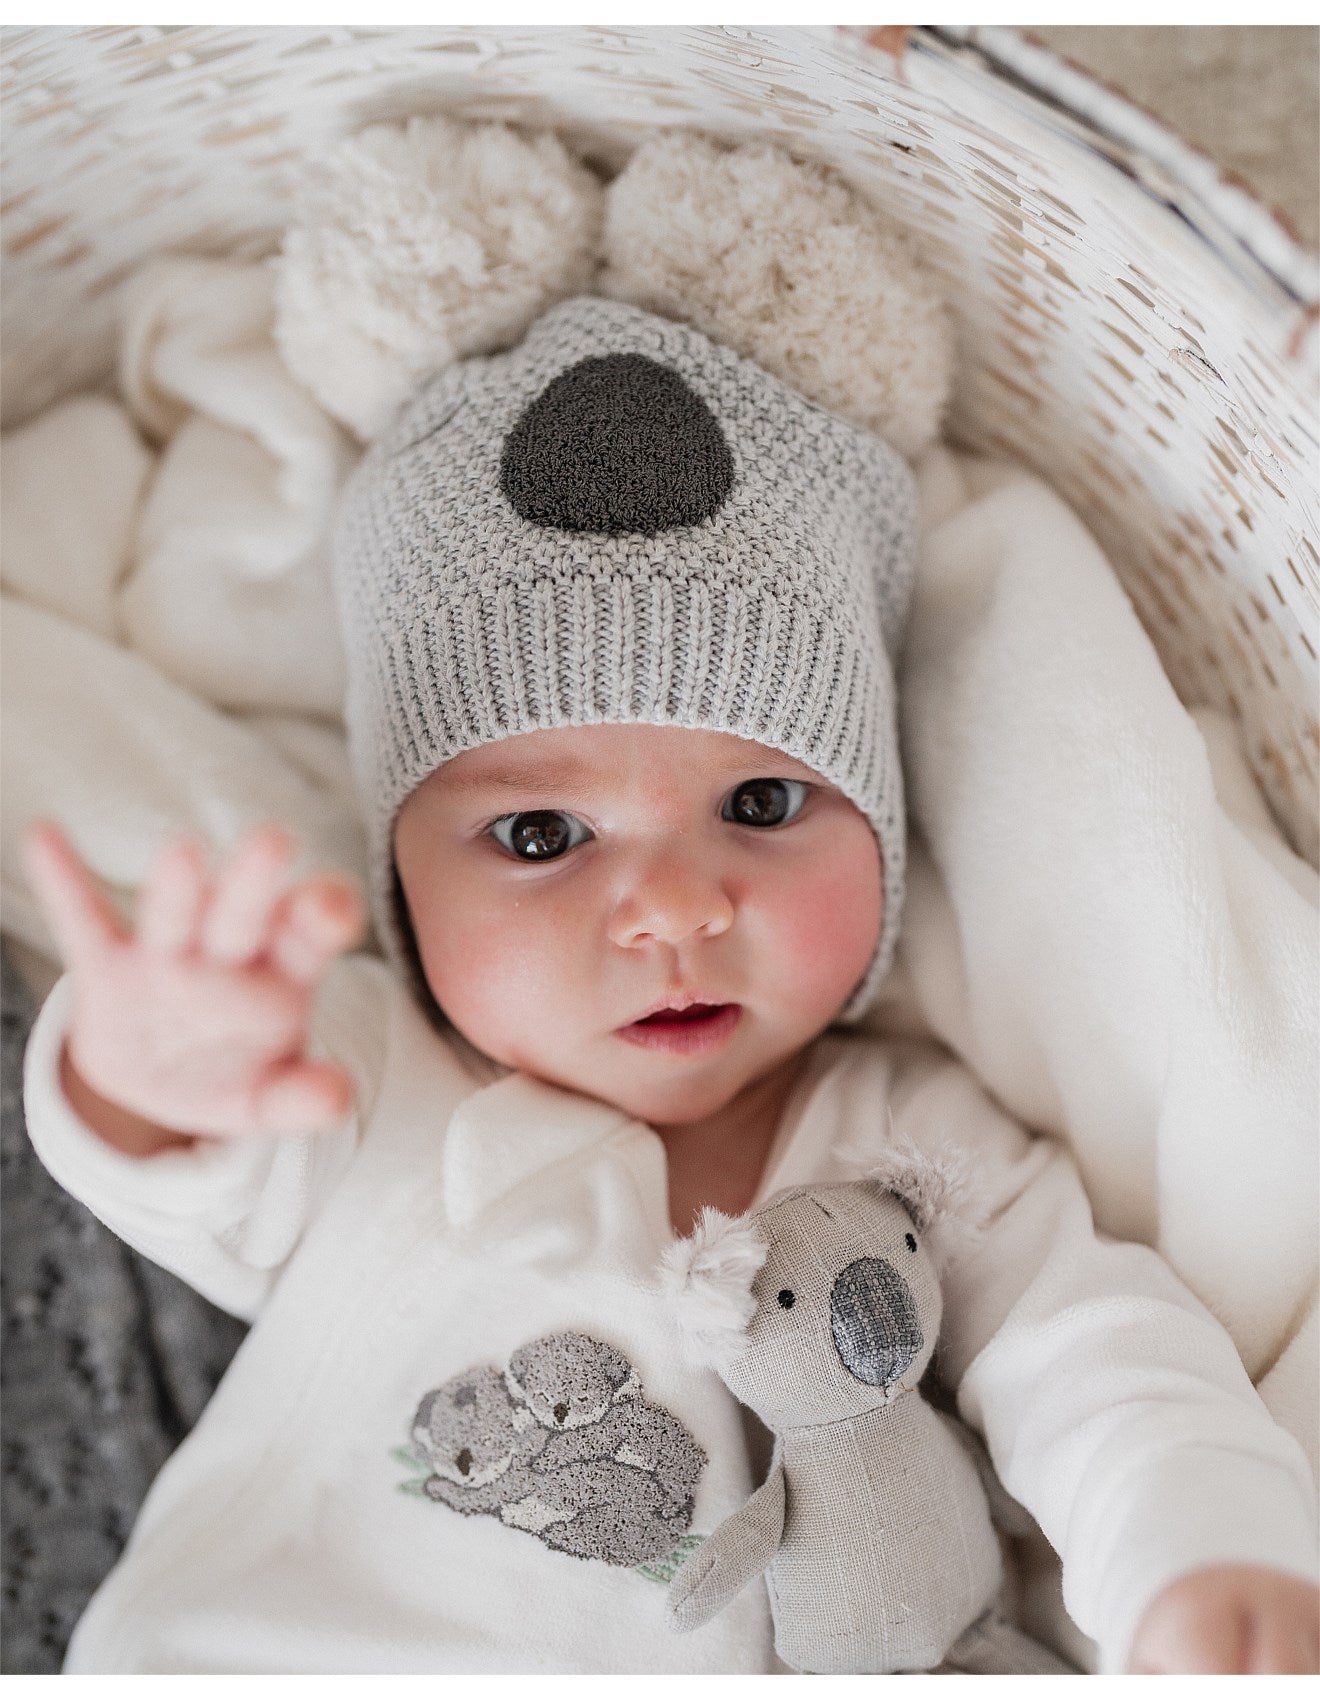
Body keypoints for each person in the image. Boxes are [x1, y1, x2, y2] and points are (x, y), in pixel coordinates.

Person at [20, 296, 1319, 1675]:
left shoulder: (925, 1151)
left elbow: (1100, 1362)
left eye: (762, 800)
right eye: (540, 837)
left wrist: (1205, 1561)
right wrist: (149, 1076)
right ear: (403, 883)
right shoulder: (371, 1077)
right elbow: (196, 1173)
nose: (678, 909)